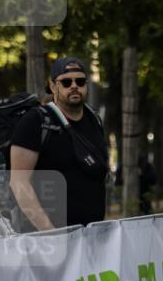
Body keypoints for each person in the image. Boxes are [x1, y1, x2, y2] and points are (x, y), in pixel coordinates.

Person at [10, 57, 108, 230]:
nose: (74, 86)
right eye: (66, 82)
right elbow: (18, 182)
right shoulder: (35, 121)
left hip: (92, 236)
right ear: (53, 86)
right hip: (49, 239)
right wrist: (50, 233)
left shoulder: (94, 120)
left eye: (80, 81)